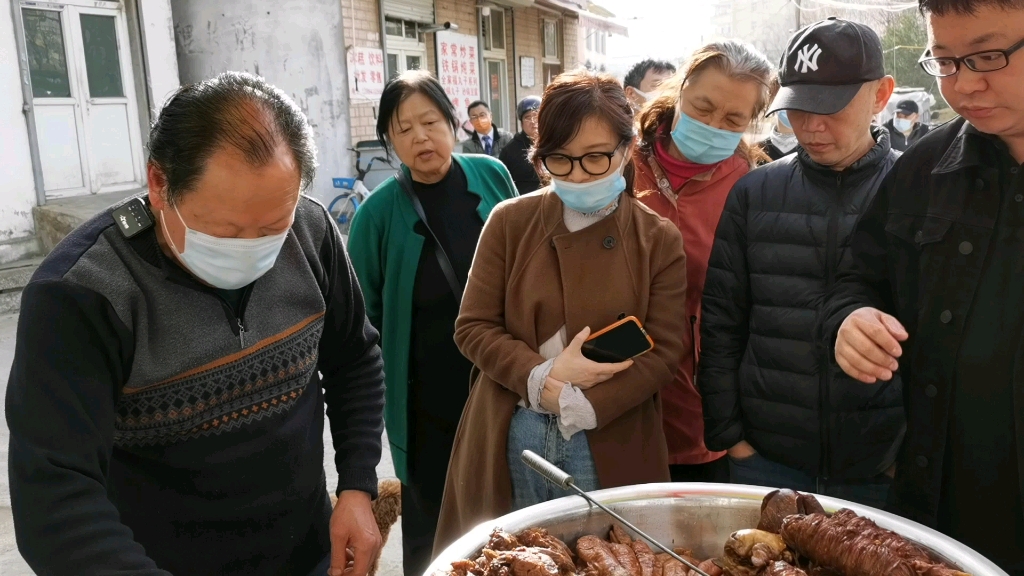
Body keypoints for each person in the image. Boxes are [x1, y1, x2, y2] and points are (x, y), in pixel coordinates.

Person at [4, 72, 385, 576]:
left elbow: (354, 359)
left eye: (273, 227)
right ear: (160, 184)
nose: (253, 248)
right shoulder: (82, 295)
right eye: (226, 230)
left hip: (308, 552)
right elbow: (54, 492)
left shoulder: (312, 234)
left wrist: (357, 485)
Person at [434, 70, 689, 553]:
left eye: (595, 158)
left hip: (610, 433)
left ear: (626, 146)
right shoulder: (510, 221)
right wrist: (543, 376)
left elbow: (666, 348)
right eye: (560, 160)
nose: (577, 175)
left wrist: (586, 404)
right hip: (513, 426)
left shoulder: (656, 238)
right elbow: (473, 327)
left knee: (608, 559)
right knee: (509, 557)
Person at [822, 0, 1024, 571]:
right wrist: (850, 319)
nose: (966, 85)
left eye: (989, 55)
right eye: (946, 61)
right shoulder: (925, 167)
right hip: (940, 505)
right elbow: (857, 279)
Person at [700, 17, 903, 510]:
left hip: (879, 467)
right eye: (798, 109)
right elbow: (722, 323)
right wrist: (731, 437)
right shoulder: (755, 192)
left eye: (830, 108)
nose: (811, 127)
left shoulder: (916, 191)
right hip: (765, 459)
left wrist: (907, 451)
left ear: (880, 95)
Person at [346, 70, 517, 576]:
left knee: (502, 514)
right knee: (434, 525)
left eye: (431, 121)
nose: (421, 137)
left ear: (452, 122)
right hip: (424, 400)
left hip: (499, 382)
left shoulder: (491, 175)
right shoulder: (376, 215)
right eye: (404, 129)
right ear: (390, 140)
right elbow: (361, 324)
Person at [632, 40, 777, 484]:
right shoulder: (618, 165)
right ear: (679, 90)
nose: (713, 125)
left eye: (733, 119)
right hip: (614, 393)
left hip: (701, 407)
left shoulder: (756, 190)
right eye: (702, 106)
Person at [499, 95, 544, 194]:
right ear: (521, 123)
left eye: (536, 115)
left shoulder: (555, 143)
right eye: (527, 117)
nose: (533, 121)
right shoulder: (510, 150)